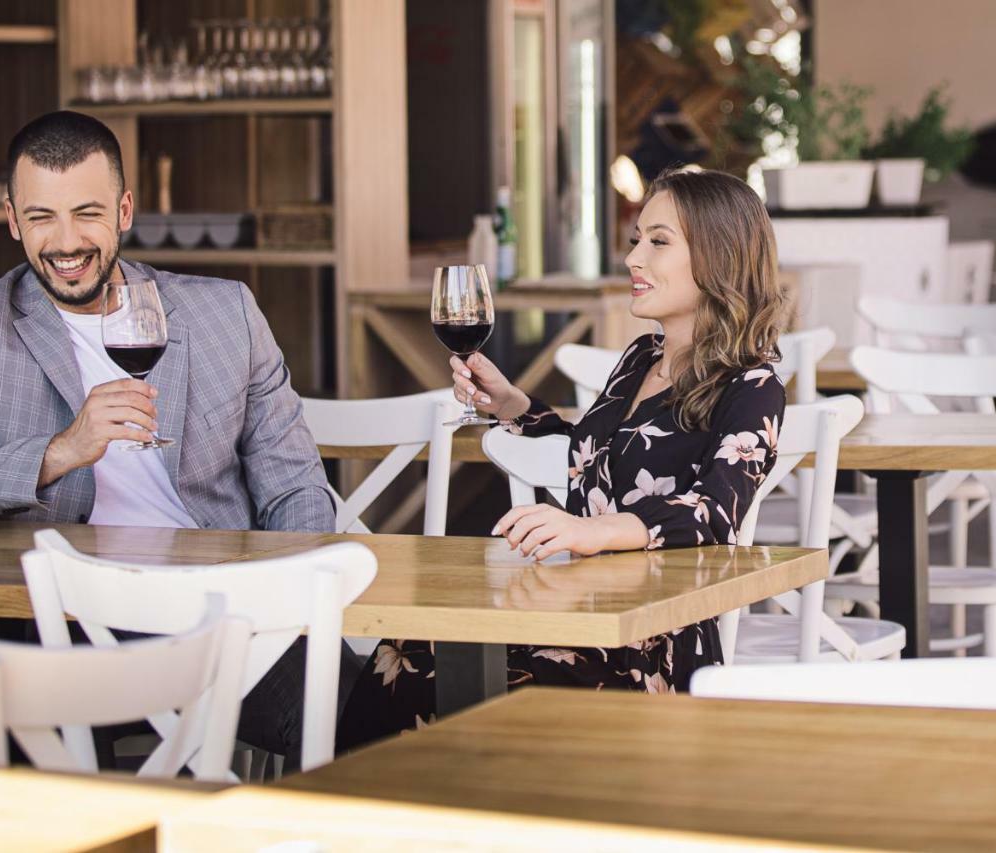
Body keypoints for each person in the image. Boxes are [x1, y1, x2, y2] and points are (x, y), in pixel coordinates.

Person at [0, 110, 343, 764]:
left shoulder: (227, 313)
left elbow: (298, 489)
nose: (66, 241)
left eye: (87, 213)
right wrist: (61, 451)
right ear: (13, 220)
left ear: (126, 209)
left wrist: (281, 604)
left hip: (220, 616)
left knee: (369, 718)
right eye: (41, 217)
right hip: (64, 623)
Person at [337, 168, 787, 748]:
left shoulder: (754, 383)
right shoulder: (640, 358)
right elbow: (592, 453)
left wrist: (589, 532)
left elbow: (714, 513)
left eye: (658, 241)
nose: (633, 259)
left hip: (650, 640)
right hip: (575, 608)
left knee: (464, 676)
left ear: (720, 254)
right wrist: (514, 405)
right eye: (636, 241)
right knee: (408, 646)